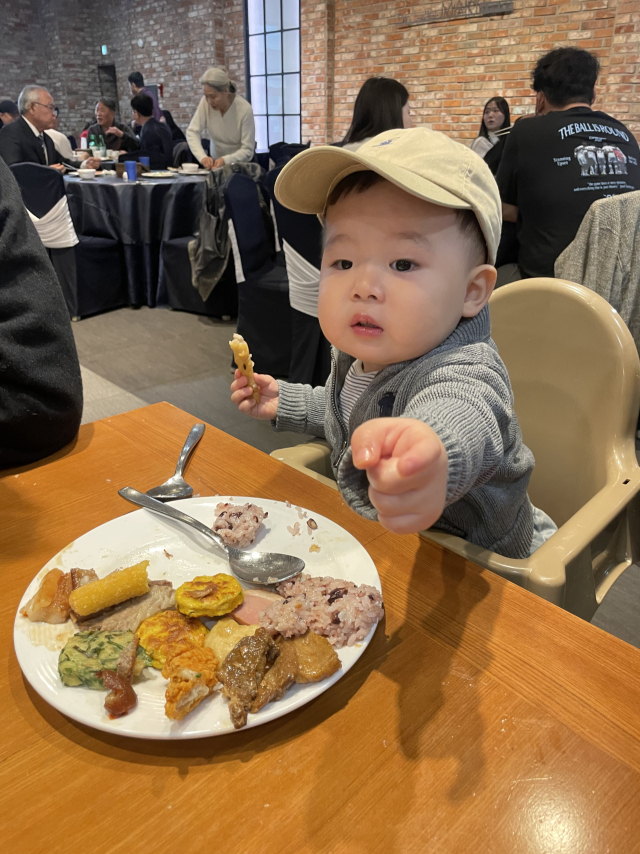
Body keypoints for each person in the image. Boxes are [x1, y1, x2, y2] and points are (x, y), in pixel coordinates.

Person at [231, 128, 557, 558]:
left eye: (402, 263)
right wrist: (286, 402)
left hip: (479, 561)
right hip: (397, 544)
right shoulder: (362, 355)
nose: (363, 286)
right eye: (343, 261)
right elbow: (348, 413)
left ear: (472, 291)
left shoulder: (466, 368)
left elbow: (464, 412)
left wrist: (431, 454)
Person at [496, 47, 640, 279]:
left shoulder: (526, 131)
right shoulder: (626, 135)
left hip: (553, 284)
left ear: (540, 98)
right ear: (592, 95)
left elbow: (503, 208)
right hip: (618, 284)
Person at [0, 155, 83, 469]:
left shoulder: (50, 141)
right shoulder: (16, 138)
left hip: (29, 400)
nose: (53, 115)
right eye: (49, 107)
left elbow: (47, 402)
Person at [186, 67, 255, 169]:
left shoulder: (244, 109)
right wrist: (202, 157)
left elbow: (248, 150)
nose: (209, 101)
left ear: (226, 91)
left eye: (213, 96)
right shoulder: (205, 103)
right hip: (215, 165)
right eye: (206, 96)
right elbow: (192, 132)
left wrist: (225, 160)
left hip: (240, 167)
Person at [341, 77, 413, 151]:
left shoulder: (344, 153)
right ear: (394, 115)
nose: (411, 121)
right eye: (408, 112)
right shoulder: (409, 152)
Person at [131, 93, 173, 169]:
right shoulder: (163, 126)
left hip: (157, 173)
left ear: (136, 113)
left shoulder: (148, 131)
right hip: (170, 169)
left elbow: (148, 158)